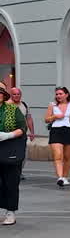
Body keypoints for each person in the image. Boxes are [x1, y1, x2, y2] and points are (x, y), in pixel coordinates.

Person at [0, 87, 26, 225]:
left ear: (4, 96)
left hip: (10, 149)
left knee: (10, 182)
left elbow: (23, 128)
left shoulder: (12, 109)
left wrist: (8, 135)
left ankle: (10, 212)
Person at [45, 87, 70, 186]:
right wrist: (55, 116)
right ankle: (60, 177)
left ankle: (65, 177)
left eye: (60, 94)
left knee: (67, 157)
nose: (58, 96)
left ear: (66, 95)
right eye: (57, 94)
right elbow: (46, 119)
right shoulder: (52, 105)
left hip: (68, 130)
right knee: (58, 156)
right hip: (56, 130)